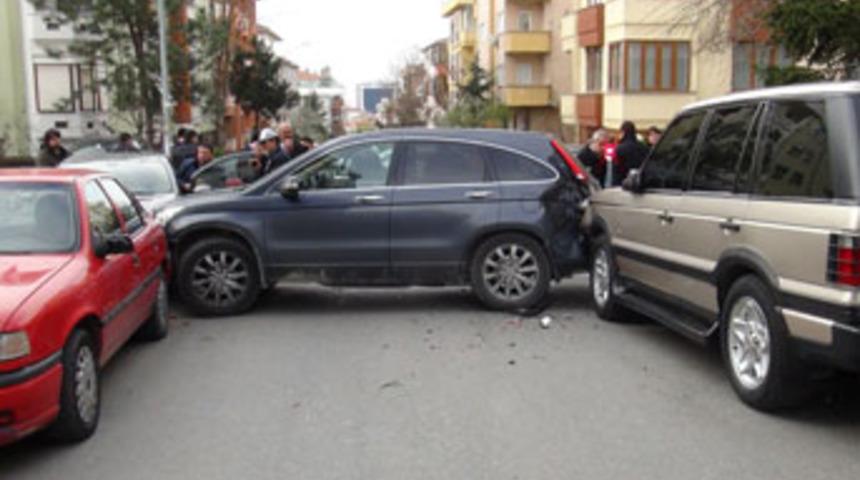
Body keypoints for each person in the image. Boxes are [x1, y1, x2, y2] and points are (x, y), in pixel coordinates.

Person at [614, 121, 649, 186]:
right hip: (639, 179)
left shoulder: (620, 148)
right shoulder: (643, 146)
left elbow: (617, 168)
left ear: (623, 132)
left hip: (624, 179)